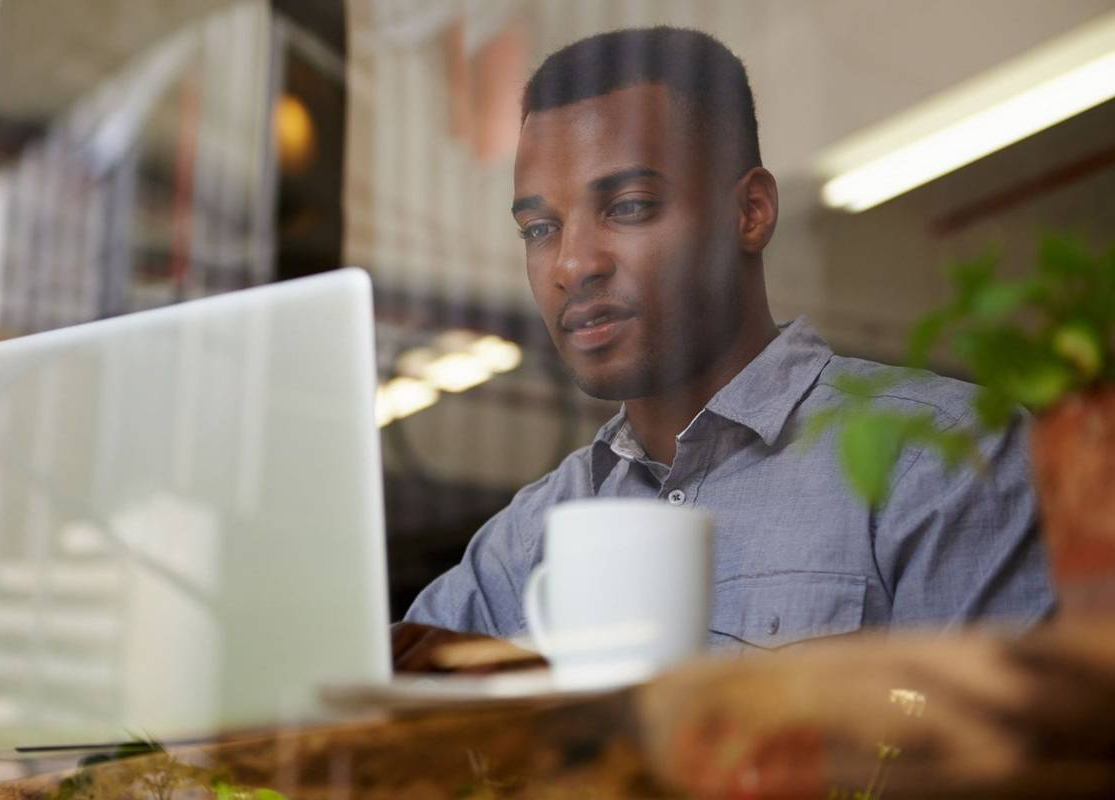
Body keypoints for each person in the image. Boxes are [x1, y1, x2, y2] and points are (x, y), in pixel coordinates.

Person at [393, 27, 1054, 669]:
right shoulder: (525, 541)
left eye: (627, 206)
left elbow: (1003, 762)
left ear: (751, 212)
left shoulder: (943, 458)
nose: (572, 264)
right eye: (540, 227)